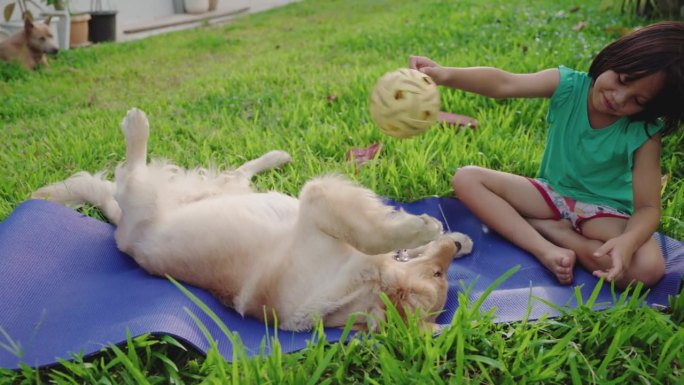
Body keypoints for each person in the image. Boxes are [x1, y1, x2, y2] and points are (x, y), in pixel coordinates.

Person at [409, 21, 684, 289]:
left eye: (638, 101)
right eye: (623, 80)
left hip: (604, 213)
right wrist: (444, 74)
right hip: (550, 195)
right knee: (467, 178)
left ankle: (557, 233)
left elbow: (648, 208)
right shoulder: (568, 86)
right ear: (615, 55)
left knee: (648, 269)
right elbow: (504, 83)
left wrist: (629, 242)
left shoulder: (644, 132)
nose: (620, 98)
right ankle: (544, 248)